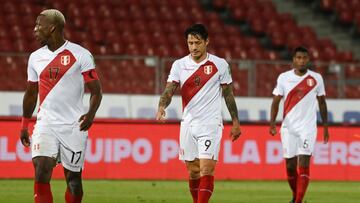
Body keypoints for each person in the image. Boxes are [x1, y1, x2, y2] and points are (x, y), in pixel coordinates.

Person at [19, 9, 102, 203]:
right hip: (45, 124)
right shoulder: (35, 58)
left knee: (73, 181)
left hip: (73, 126)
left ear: (53, 28)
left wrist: (90, 115)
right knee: (41, 172)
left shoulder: (80, 54)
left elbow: (96, 91)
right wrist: (24, 124)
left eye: (39, 25)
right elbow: (31, 93)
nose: (34, 29)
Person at [156, 24, 241, 203]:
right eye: (190, 43)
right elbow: (169, 90)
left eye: (197, 42)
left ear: (207, 42)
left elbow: (228, 94)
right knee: (193, 171)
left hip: (210, 124)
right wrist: (162, 106)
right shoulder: (179, 65)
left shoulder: (220, 64)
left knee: (206, 169)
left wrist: (235, 122)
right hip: (187, 124)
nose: (193, 47)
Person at [269, 46, 329, 203]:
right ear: (293, 60)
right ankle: (297, 197)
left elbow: (322, 103)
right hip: (288, 127)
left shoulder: (316, 78)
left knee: (303, 161)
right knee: (290, 166)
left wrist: (326, 127)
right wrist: (272, 123)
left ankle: (298, 201)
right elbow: (275, 101)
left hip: (308, 128)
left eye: (304, 58)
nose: (302, 61)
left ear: (308, 59)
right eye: (299, 58)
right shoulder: (283, 78)